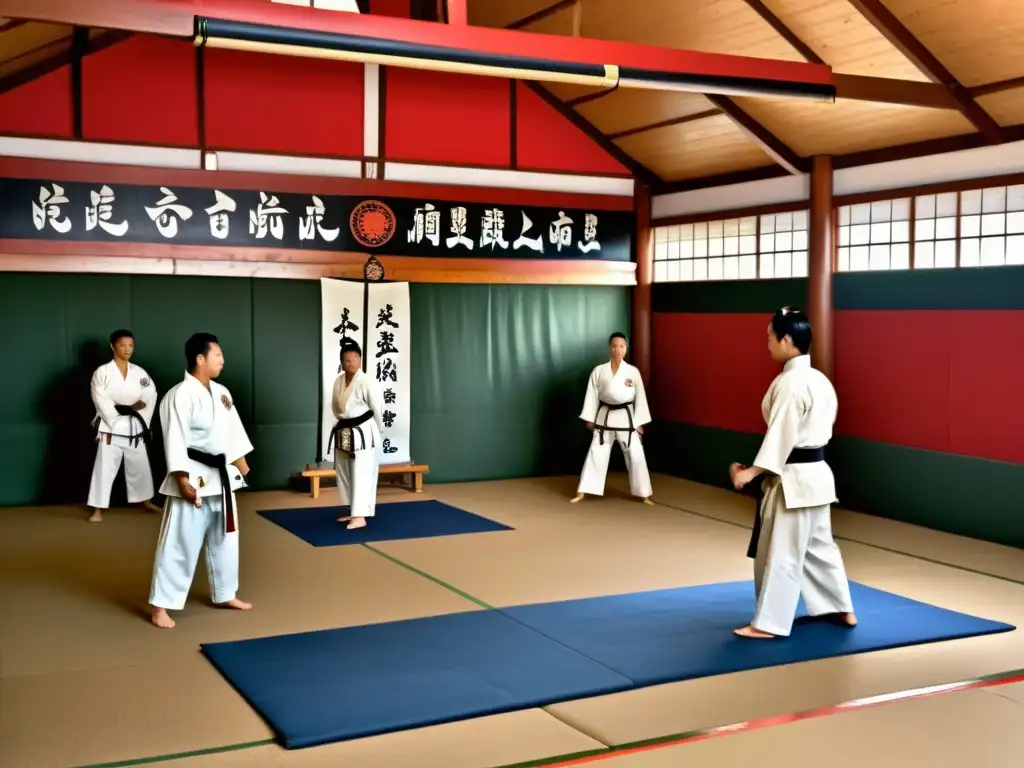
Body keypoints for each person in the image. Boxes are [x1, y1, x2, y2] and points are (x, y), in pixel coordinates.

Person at [729, 307, 856, 639]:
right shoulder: (820, 381)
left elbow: (781, 435)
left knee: (782, 553)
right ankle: (841, 607)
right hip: (818, 477)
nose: (768, 344)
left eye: (771, 338)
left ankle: (768, 624)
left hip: (794, 482)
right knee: (819, 546)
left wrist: (750, 472)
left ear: (787, 340)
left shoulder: (790, 383)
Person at [149, 333, 253, 629]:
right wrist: (181, 479)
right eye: (217, 355)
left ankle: (224, 593)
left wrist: (242, 467)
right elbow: (175, 439)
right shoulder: (179, 395)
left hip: (220, 478)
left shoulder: (222, 392)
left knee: (226, 539)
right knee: (179, 542)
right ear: (200, 358)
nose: (222, 360)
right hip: (192, 474)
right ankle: (160, 606)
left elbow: (233, 433)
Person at [86, 329, 162, 522]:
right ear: (113, 346)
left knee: (141, 466)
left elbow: (150, 394)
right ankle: (97, 509)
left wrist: (138, 413)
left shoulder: (139, 373)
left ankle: (145, 501)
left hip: (135, 426)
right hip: (110, 429)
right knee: (104, 469)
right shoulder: (102, 372)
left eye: (131, 345)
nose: (128, 349)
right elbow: (99, 398)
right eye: (123, 345)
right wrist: (120, 412)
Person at [571, 332, 653, 505]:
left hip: (627, 417)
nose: (618, 350)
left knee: (636, 454)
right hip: (604, 418)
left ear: (626, 348)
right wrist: (589, 419)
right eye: (615, 346)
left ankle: (644, 494)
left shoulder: (632, 372)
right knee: (596, 453)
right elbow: (592, 396)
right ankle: (582, 491)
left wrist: (638, 423)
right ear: (610, 348)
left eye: (622, 346)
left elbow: (640, 398)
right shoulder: (599, 371)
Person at [329, 340, 385, 530]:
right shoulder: (338, 380)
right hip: (344, 430)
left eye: (355, 358)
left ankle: (360, 516)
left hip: (363, 432)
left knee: (361, 471)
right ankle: (354, 510)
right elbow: (336, 407)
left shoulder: (367, 380)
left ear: (360, 360)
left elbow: (377, 408)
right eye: (347, 359)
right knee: (344, 470)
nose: (351, 362)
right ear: (342, 362)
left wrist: (378, 431)